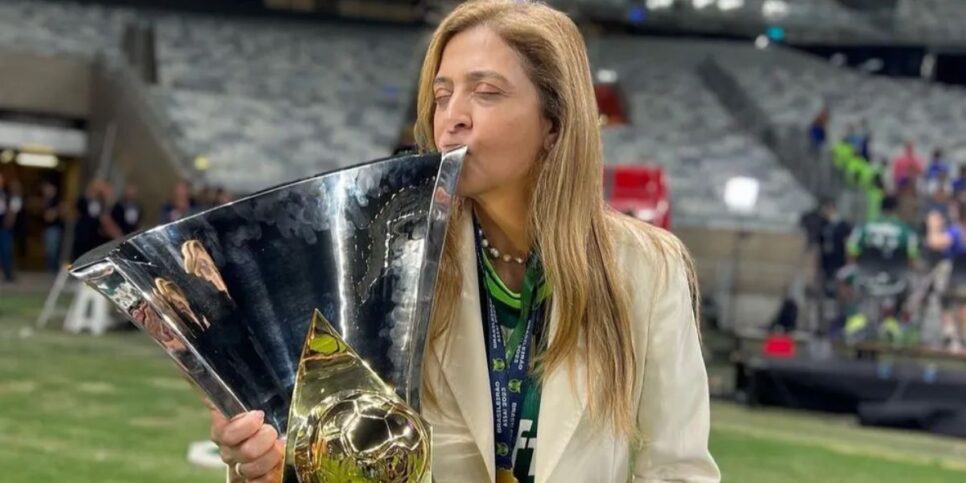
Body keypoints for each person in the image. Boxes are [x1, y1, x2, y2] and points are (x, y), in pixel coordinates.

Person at [208, 2, 720, 482]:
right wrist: (267, 465)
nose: (453, 116)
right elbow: (340, 464)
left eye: (487, 92)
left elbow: (678, 468)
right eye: (442, 94)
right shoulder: (384, 256)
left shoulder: (647, 266)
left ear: (555, 123)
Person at [40, 180, 65, 272]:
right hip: (47, 228)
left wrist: (53, 212)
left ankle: (52, 270)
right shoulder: (47, 200)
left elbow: (49, 217)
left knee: (52, 250)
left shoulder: (56, 201)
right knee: (48, 250)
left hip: (54, 228)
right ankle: (50, 269)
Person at [0, 173, 14, 282]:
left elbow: (12, 209)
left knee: (5, 251)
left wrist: (9, 221)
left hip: (3, 227)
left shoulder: (7, 194)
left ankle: (8, 274)